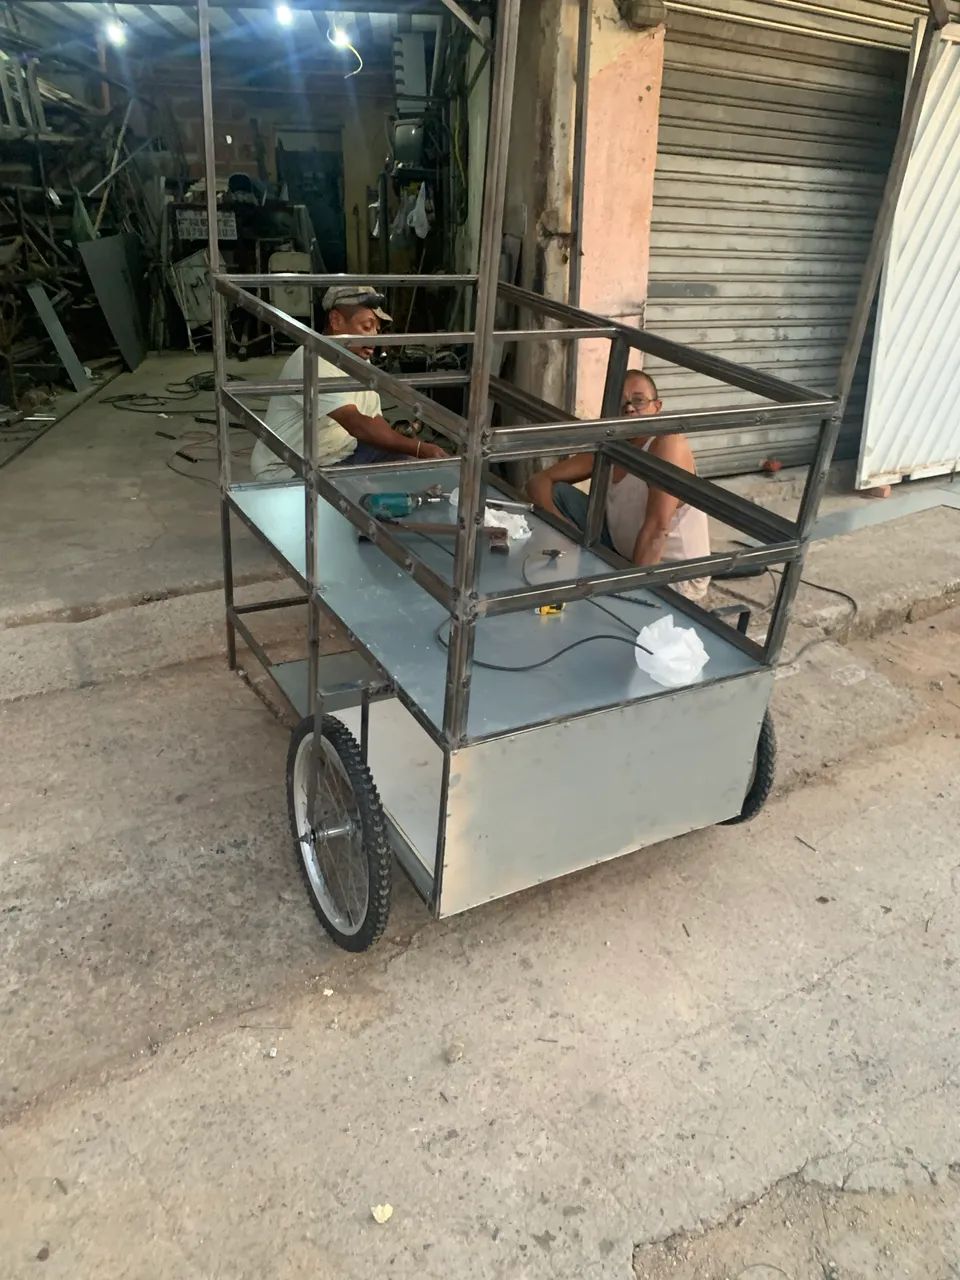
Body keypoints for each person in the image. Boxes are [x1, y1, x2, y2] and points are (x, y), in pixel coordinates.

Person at [525, 369, 711, 602]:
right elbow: (539, 482)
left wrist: (630, 593)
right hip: (623, 552)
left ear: (657, 407)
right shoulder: (615, 444)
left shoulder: (667, 445)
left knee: (601, 608)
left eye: (639, 401)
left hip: (671, 574)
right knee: (558, 493)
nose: (629, 409)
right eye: (620, 403)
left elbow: (657, 530)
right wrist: (568, 538)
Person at [250, 285, 448, 481]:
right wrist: (420, 448)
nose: (374, 338)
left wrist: (410, 447)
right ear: (336, 320)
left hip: (341, 452)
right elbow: (357, 425)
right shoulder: (311, 359)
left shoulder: (359, 361)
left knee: (409, 465)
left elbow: (373, 420)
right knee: (385, 479)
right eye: (367, 327)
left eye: (377, 330)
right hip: (290, 468)